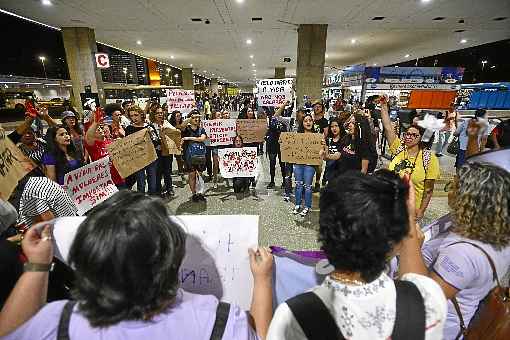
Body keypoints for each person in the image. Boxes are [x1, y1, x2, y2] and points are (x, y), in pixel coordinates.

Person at [3, 190, 274, 339]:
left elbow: (10, 333)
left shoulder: (58, 322)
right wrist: (262, 281)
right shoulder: (220, 321)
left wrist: (37, 267)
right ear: (173, 258)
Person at [267, 170, 447, 340]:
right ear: (395, 242)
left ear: (324, 233)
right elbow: (417, 281)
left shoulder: (293, 317)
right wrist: (407, 223)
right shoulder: (426, 301)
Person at [398, 162, 510, 340]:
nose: (449, 191)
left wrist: (410, 230)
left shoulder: (464, 254)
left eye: (454, 186)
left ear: (470, 199)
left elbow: (420, 302)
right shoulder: (492, 233)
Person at [380, 96, 440, 222]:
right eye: (407, 134)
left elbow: (428, 190)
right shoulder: (398, 148)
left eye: (414, 135)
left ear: (421, 138)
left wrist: (422, 210)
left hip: (411, 210)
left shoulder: (428, 158)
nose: (409, 137)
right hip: (390, 205)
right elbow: (388, 127)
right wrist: (384, 106)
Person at [84, 110, 126, 190]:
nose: (99, 129)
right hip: (105, 183)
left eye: (100, 127)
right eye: (96, 129)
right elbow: (88, 136)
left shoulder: (111, 141)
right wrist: (96, 122)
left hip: (120, 180)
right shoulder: (93, 146)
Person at [125, 106, 158, 195]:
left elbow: (156, 142)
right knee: (141, 182)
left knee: (152, 181)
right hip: (138, 159)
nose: (134, 118)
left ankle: (152, 199)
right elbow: (127, 145)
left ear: (141, 115)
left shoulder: (149, 126)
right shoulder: (129, 129)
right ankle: (141, 201)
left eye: (136, 115)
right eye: (131, 116)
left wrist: (151, 135)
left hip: (150, 158)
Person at [292, 114, 321, 217]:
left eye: (310, 120)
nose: (308, 122)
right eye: (305, 121)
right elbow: (290, 147)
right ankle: (298, 204)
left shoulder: (317, 136)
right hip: (298, 164)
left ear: (312, 123)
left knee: (308, 186)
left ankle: (307, 206)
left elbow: (322, 149)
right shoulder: (297, 135)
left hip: (310, 164)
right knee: (298, 184)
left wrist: (322, 146)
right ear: (302, 123)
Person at [149, 104, 175, 197]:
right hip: (157, 152)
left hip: (167, 151)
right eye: (157, 113)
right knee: (158, 172)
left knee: (168, 171)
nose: (160, 115)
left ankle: (169, 188)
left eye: (161, 113)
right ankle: (159, 190)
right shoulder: (151, 126)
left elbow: (174, 134)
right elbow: (152, 140)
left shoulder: (167, 123)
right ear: (153, 115)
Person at [181, 110, 207, 202]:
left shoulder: (201, 129)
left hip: (200, 156)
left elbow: (202, 138)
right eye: (194, 117)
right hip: (189, 156)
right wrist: (189, 117)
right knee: (191, 175)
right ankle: (194, 194)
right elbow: (182, 126)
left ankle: (200, 193)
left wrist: (188, 138)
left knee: (200, 175)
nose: (196, 119)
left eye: (198, 117)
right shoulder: (186, 129)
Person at [265, 109, 287, 189]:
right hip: (272, 144)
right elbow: (271, 128)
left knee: (282, 164)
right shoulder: (270, 118)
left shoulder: (285, 119)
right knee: (272, 163)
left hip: (282, 144)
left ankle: (285, 181)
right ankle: (272, 181)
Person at [311, 101, 329, 192]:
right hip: (309, 144)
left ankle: (317, 182)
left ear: (322, 108)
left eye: (319, 107)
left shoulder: (324, 121)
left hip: (319, 145)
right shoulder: (310, 118)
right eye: (315, 106)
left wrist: (320, 140)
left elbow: (326, 134)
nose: (317, 108)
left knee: (318, 165)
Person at [321, 118, 343, 184]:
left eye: (336, 126)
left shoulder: (345, 139)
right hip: (330, 170)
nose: (334, 128)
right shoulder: (328, 140)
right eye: (332, 126)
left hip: (341, 169)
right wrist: (323, 152)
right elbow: (325, 158)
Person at [169, 110, 187, 176]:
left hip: (182, 143)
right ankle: (177, 172)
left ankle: (182, 171)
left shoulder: (183, 124)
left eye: (180, 116)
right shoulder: (170, 125)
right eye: (177, 116)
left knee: (181, 158)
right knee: (174, 159)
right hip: (173, 144)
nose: (179, 117)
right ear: (174, 117)